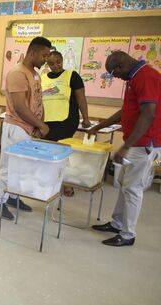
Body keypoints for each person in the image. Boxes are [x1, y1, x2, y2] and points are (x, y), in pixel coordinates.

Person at [89, 51, 161, 247]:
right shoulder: (134, 77)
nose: (116, 78)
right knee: (124, 185)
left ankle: (128, 234)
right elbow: (126, 110)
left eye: (114, 73)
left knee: (133, 189)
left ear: (120, 66)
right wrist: (100, 126)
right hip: (136, 143)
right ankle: (117, 223)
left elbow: (148, 115)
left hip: (144, 144)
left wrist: (125, 147)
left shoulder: (145, 77)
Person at [0, 36, 52, 221]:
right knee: (9, 167)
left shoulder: (34, 73)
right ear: (32, 52)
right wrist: (40, 124)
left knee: (23, 168)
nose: (46, 59)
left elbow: (37, 100)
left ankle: (13, 197)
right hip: (16, 128)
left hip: (29, 128)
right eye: (44, 55)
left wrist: (41, 121)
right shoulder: (17, 73)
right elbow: (19, 107)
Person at [41, 51, 92, 196]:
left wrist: (86, 119)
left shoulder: (72, 76)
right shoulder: (43, 78)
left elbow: (81, 98)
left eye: (58, 62)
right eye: (51, 63)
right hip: (47, 121)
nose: (56, 65)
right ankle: (54, 181)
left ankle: (65, 183)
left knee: (59, 151)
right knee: (48, 151)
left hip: (67, 121)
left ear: (62, 60)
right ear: (47, 64)